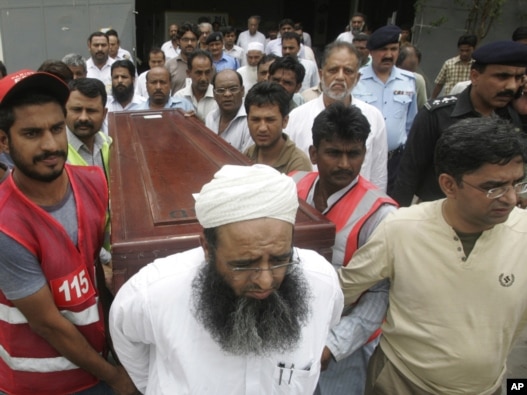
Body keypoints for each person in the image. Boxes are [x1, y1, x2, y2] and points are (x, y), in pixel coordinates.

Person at [109, 163, 344, 394]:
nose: (265, 281)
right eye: (243, 265)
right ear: (207, 248)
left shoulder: (321, 282)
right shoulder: (153, 293)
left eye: (279, 260)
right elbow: (132, 353)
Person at [339, 116, 527, 395]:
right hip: (399, 382)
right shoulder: (401, 229)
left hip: (490, 387)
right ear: (449, 185)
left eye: (517, 184)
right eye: (494, 187)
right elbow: (341, 290)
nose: (511, 198)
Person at [0, 69, 137, 394]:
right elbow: (47, 324)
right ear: (3, 140)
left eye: (56, 129)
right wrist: (114, 376)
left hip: (96, 359)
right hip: (39, 381)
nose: (51, 145)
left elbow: (99, 264)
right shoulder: (6, 224)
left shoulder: (92, 181)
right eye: (32, 134)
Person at [289, 102, 397, 395]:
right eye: (334, 152)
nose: (345, 164)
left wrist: (333, 345)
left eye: (354, 153)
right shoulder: (292, 186)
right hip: (288, 335)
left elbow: (379, 295)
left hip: (343, 351)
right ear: (313, 153)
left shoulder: (381, 214)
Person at [392, 40, 527, 206]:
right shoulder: (437, 115)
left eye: (519, 78)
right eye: (502, 76)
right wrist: (398, 216)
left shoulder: (515, 115)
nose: (512, 86)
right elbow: (408, 173)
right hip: (439, 213)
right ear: (475, 76)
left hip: (496, 215)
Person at [286, 41, 388, 192]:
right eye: (333, 70)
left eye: (348, 71)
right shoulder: (297, 117)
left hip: (356, 208)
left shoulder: (373, 117)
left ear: (357, 78)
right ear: (321, 74)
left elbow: (378, 175)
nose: (340, 77)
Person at [353, 25, 417, 195]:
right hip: (364, 157)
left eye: (393, 49)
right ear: (371, 52)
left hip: (396, 160)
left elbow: (411, 124)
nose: (388, 55)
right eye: (383, 49)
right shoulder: (356, 79)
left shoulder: (409, 81)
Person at [244, 81, 312, 173]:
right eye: (255, 120)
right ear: (247, 120)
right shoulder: (248, 154)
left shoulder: (298, 162)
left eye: (270, 120)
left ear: (285, 121)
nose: (262, 128)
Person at [205, 69, 253, 151]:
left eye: (233, 89)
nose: (227, 94)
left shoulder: (250, 122)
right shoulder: (211, 117)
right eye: (221, 90)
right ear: (214, 94)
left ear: (242, 91)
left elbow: (246, 159)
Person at [174, 49, 217, 122]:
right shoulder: (179, 97)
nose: (203, 78)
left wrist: (199, 123)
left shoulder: (218, 97)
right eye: (199, 73)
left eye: (207, 72)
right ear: (188, 73)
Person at [431, 34, 477, 99]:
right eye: (462, 50)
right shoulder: (449, 64)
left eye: (467, 50)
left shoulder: (477, 65)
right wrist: (432, 100)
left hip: (469, 101)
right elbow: (439, 84)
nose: (464, 53)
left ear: (474, 49)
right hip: (449, 102)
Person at [166, 23, 200, 93]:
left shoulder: (206, 65)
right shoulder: (169, 65)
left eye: (193, 40)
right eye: (185, 39)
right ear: (178, 41)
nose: (189, 43)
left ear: (197, 41)